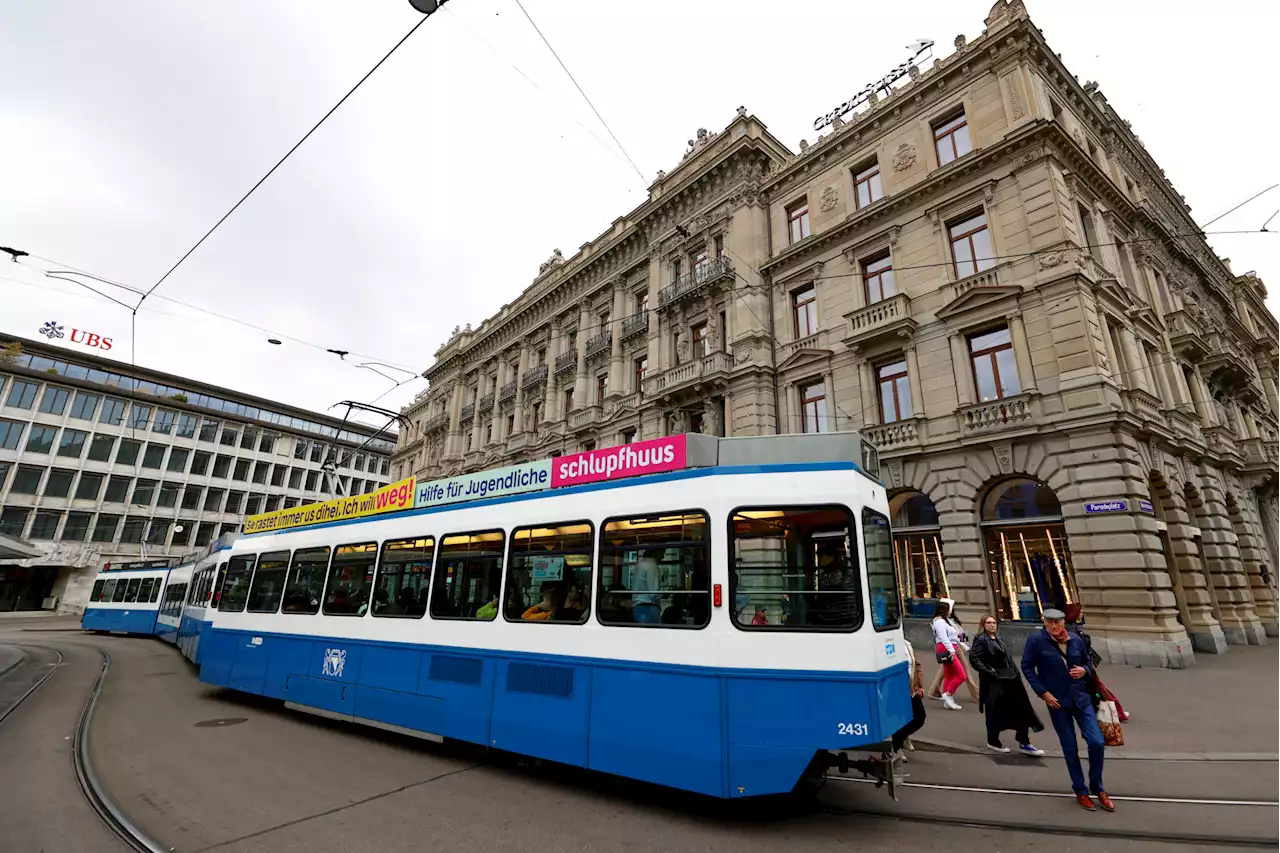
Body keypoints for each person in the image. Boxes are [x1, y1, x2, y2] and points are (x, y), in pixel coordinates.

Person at [1021, 608, 1114, 812]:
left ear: (1064, 623)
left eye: (1057, 623)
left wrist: (1085, 670)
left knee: (1097, 742)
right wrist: (1043, 693)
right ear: (1045, 623)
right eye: (1049, 623)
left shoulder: (1076, 640)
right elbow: (1027, 667)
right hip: (1057, 702)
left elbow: (1089, 662)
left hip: (1082, 699)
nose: (1053, 626)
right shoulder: (1036, 641)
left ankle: (1098, 788)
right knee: (1070, 747)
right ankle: (1080, 790)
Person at [970, 615, 1045, 756]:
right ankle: (993, 740)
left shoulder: (998, 639)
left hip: (1010, 679)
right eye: (988, 623)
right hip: (995, 682)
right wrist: (990, 672)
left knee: (1022, 709)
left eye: (993, 622)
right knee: (995, 711)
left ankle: (1024, 741)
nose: (992, 625)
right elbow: (974, 658)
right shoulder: (981, 639)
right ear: (983, 625)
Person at [1065, 603, 1128, 722]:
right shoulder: (1070, 629)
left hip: (1084, 664)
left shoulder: (1074, 627)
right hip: (1080, 665)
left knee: (1096, 688)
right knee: (1095, 688)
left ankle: (1109, 710)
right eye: (1080, 612)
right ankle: (1107, 710)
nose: (1082, 614)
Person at [927, 598, 980, 702]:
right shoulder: (942, 621)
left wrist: (964, 644)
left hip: (954, 646)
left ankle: (935, 691)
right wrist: (959, 647)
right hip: (952, 647)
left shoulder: (950, 620)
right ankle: (975, 694)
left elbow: (959, 634)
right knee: (964, 671)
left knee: (946, 672)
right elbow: (948, 636)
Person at [891, 639, 926, 762]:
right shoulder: (889, 643)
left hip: (912, 689)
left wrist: (920, 685)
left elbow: (916, 665)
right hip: (898, 688)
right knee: (899, 719)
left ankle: (902, 738)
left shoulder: (907, 644)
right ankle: (896, 749)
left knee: (920, 717)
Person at [931, 600, 966, 710]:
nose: (951, 611)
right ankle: (948, 694)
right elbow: (944, 638)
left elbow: (955, 637)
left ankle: (947, 698)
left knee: (949, 675)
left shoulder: (944, 621)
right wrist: (951, 651)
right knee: (961, 675)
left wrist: (964, 646)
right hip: (946, 648)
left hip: (949, 647)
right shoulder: (939, 622)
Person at [631, 549, 663, 624]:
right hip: (648, 607)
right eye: (662, 553)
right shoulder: (652, 565)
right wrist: (663, 594)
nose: (663, 557)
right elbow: (654, 593)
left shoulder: (640, 564)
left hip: (638, 606)